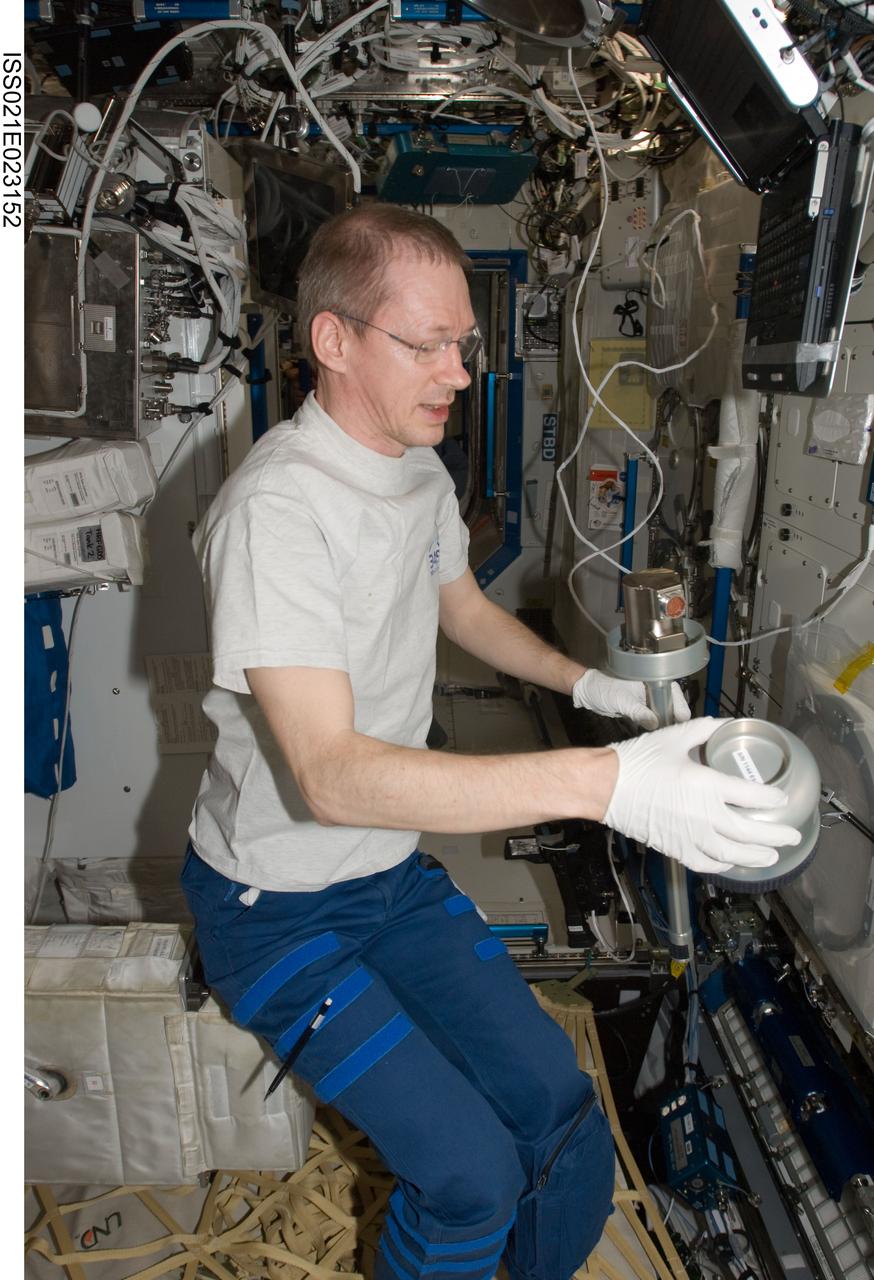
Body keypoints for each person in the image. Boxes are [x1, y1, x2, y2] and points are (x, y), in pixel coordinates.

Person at [181, 203, 800, 1280]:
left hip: (387, 878)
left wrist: (593, 682)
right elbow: (329, 776)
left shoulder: (414, 470)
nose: (459, 372)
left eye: (461, 343)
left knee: (561, 1124)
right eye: (425, 345)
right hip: (275, 913)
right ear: (333, 339)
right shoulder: (274, 513)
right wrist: (606, 783)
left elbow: (459, 609)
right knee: (465, 1175)